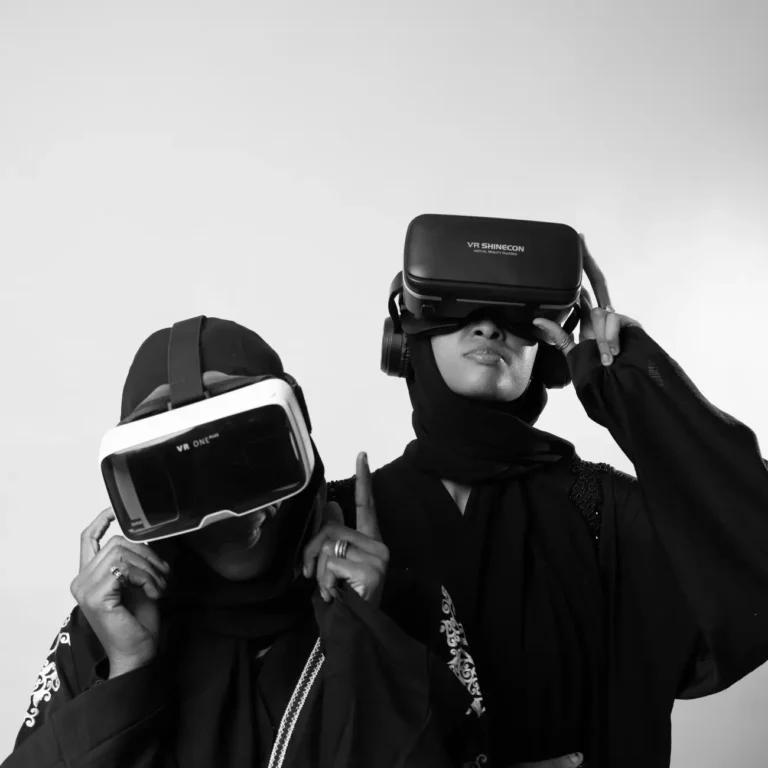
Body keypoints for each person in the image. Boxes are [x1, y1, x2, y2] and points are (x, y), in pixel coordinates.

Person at [326, 236, 768, 768]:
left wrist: (634, 384)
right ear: (405, 338)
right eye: (455, 306)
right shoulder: (341, 522)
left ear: (550, 353)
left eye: (517, 315)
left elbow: (751, 555)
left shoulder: (603, 511)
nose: (488, 327)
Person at [3, 317, 489, 768]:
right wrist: (128, 669)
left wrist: (365, 638)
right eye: (189, 477)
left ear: (299, 440)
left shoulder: (401, 600)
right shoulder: (108, 625)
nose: (235, 511)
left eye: (255, 456)